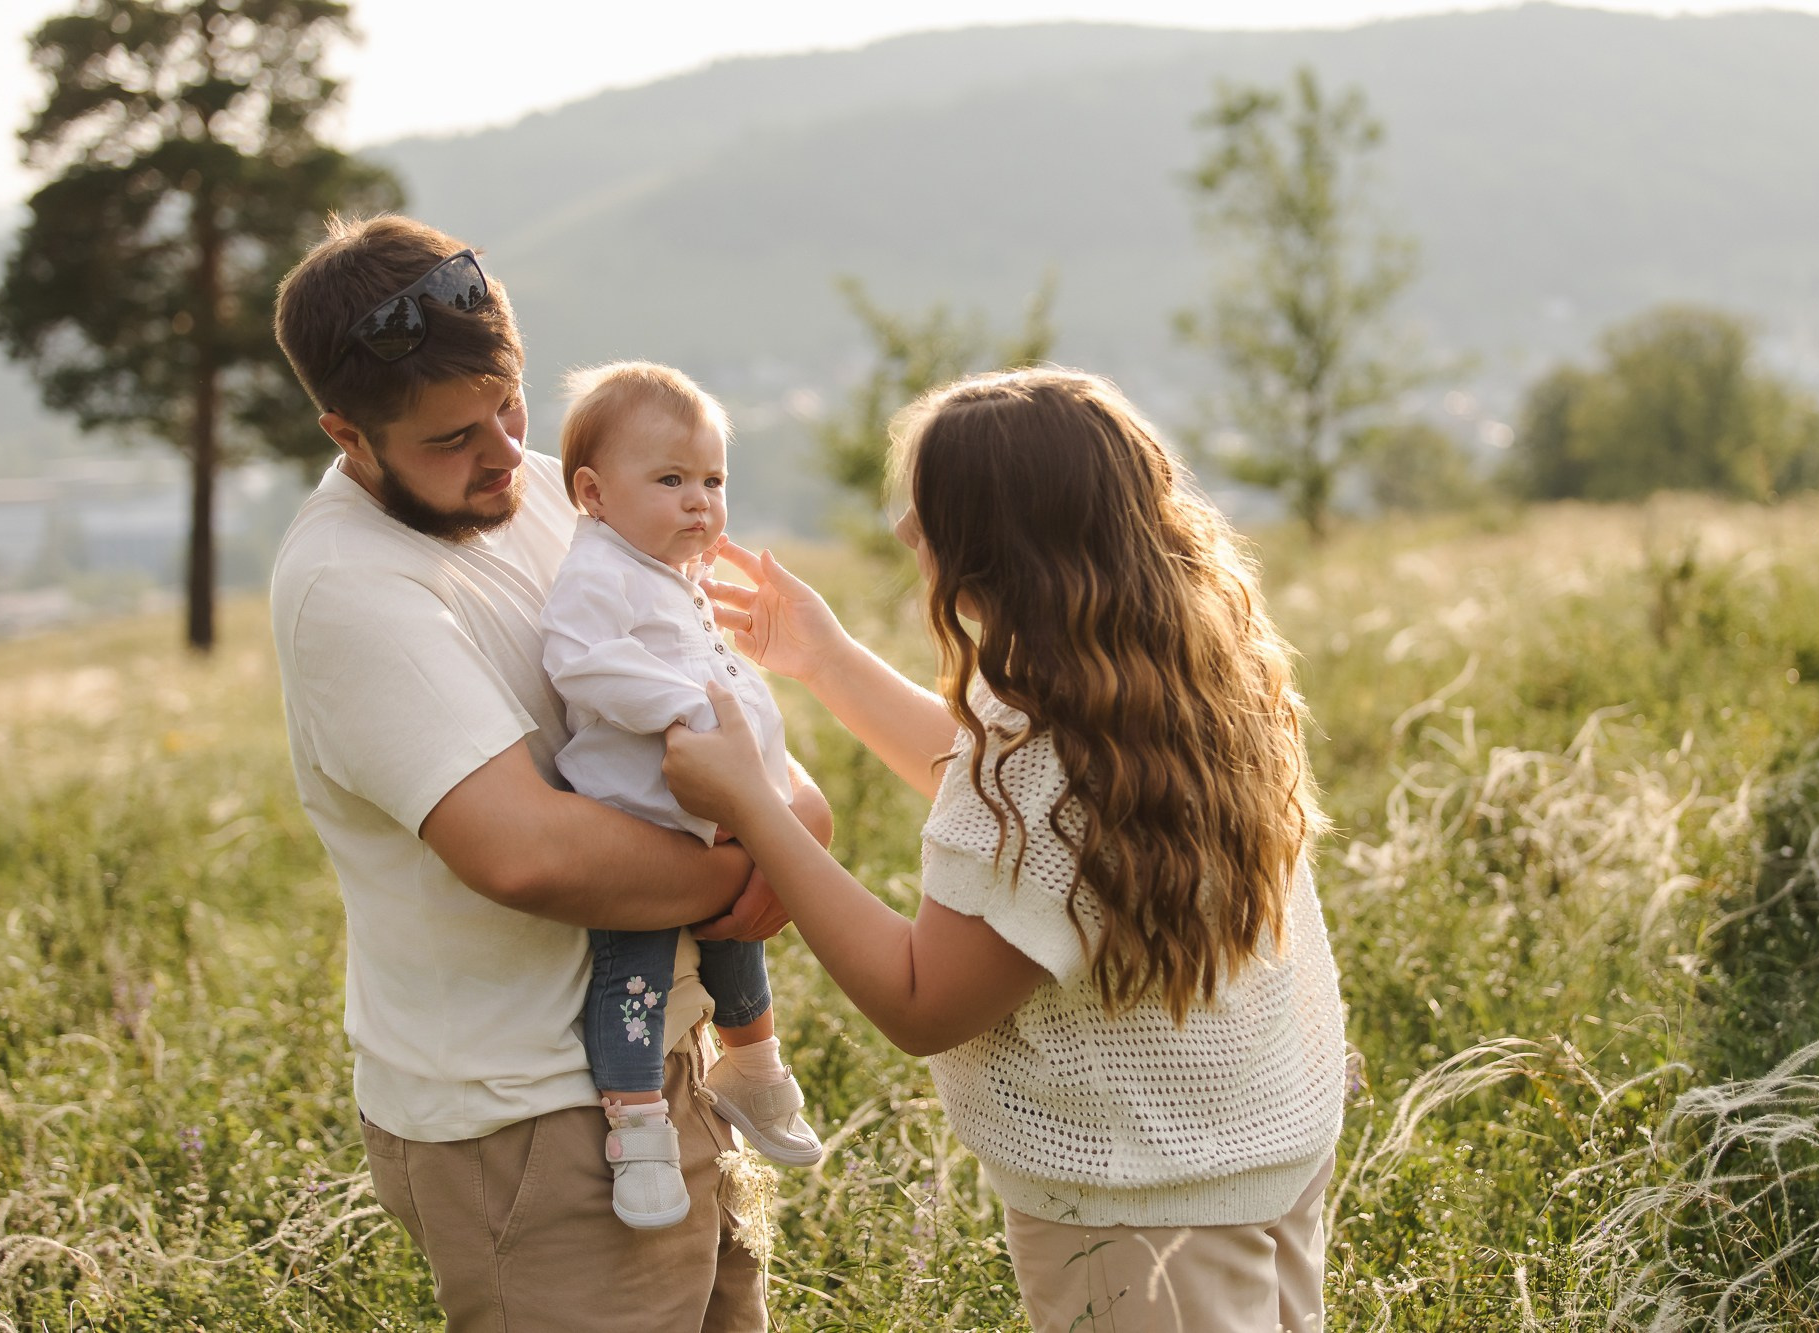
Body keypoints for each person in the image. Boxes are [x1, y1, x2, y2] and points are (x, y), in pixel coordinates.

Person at [662, 368, 1347, 1333]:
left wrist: (755, 809)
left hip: (1142, 1207)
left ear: (999, 545)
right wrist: (826, 659)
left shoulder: (1044, 743)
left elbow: (922, 1001)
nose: (906, 531)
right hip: (1256, 1151)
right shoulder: (1181, 668)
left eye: (930, 507)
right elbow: (1010, 804)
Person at [269, 213, 825, 1332]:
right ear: (347, 433)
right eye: (444, 438)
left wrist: (782, 806)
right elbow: (522, 851)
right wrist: (766, 858)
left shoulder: (552, 492)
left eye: (507, 404)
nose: (496, 452)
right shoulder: (353, 587)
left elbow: (704, 683)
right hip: (525, 1118)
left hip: (671, 1066)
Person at [540, 362, 826, 1231]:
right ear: (593, 492)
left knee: (740, 941)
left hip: (710, 814)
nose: (700, 501)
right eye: (671, 481)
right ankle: (638, 1130)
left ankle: (753, 1066)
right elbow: (578, 658)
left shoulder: (670, 571)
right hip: (641, 821)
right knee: (634, 972)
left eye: (713, 480)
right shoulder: (600, 571)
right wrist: (686, 705)